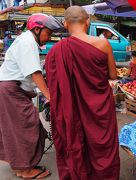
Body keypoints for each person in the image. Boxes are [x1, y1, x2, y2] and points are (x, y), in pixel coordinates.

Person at [45, 6, 120, 180]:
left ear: (65, 24)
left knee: (77, 141)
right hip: (100, 107)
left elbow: (57, 86)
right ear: (88, 21)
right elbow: (113, 75)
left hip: (72, 110)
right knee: (102, 146)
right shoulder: (102, 43)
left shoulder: (56, 51)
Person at [0, 13, 63, 179]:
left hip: (14, 90)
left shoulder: (28, 41)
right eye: (48, 33)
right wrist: (50, 96)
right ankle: (25, 169)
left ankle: (20, 167)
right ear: (37, 29)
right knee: (27, 128)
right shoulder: (27, 42)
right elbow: (34, 73)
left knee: (17, 128)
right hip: (11, 91)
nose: (49, 37)